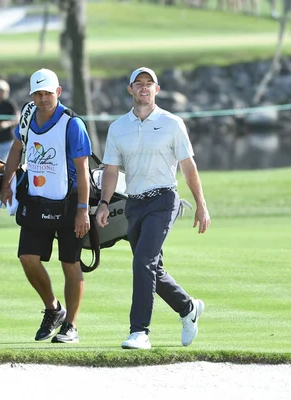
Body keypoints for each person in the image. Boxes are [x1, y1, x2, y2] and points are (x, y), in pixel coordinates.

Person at [96, 67, 211, 350]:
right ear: (130, 90)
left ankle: (139, 332)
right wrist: (103, 203)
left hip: (163, 201)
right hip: (134, 204)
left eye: (149, 84)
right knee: (153, 268)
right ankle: (188, 308)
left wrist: (201, 205)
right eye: (139, 84)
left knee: (143, 262)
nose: (144, 88)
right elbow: (110, 170)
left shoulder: (172, 124)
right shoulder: (118, 127)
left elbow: (188, 167)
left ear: (157, 90)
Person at [0, 68, 91, 344]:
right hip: (36, 199)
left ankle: (71, 326)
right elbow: (17, 148)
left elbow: (83, 170)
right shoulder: (28, 115)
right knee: (27, 258)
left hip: (69, 202)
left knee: (70, 263)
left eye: (47, 93)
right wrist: (6, 183)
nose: (42, 99)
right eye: (37, 94)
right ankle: (54, 309)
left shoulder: (72, 124)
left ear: (58, 92)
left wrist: (83, 210)